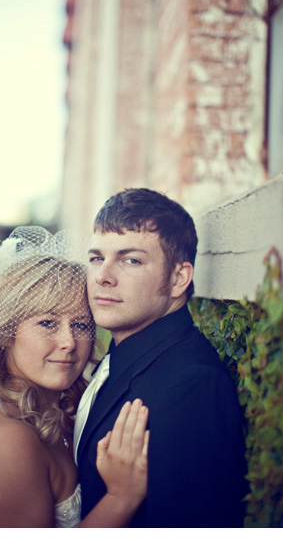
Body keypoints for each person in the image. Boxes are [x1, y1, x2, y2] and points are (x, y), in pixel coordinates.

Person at [0, 227, 149, 528]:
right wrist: (122, 497)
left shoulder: (56, 416)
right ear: (5, 334)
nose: (69, 341)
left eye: (80, 324)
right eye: (48, 322)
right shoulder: (4, 444)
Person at [75, 188, 247, 527]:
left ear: (178, 278)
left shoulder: (193, 384)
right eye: (97, 258)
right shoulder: (115, 357)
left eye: (131, 260)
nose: (103, 276)